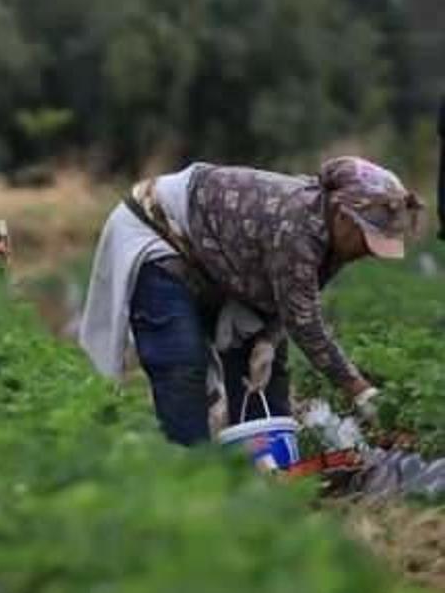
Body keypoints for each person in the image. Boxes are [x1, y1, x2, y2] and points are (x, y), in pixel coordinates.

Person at [79, 157, 420, 445]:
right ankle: (192, 475)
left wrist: (268, 340)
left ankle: (262, 472)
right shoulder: (297, 226)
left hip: (221, 257)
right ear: (344, 216)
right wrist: (359, 391)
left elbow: (290, 300)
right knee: (181, 359)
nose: (368, 253)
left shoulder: (336, 241)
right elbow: (305, 322)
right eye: (367, 241)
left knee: (265, 371)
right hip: (158, 228)